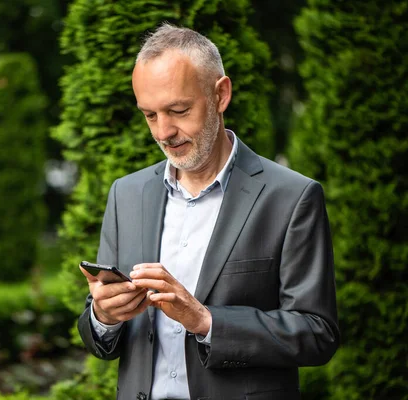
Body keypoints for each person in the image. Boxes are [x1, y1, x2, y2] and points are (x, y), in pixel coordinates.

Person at [78, 23, 339, 400]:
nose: (163, 131)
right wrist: (104, 317)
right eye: (149, 115)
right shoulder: (126, 194)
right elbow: (99, 339)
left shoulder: (293, 196)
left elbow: (318, 333)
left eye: (178, 110)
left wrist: (206, 321)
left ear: (220, 94)